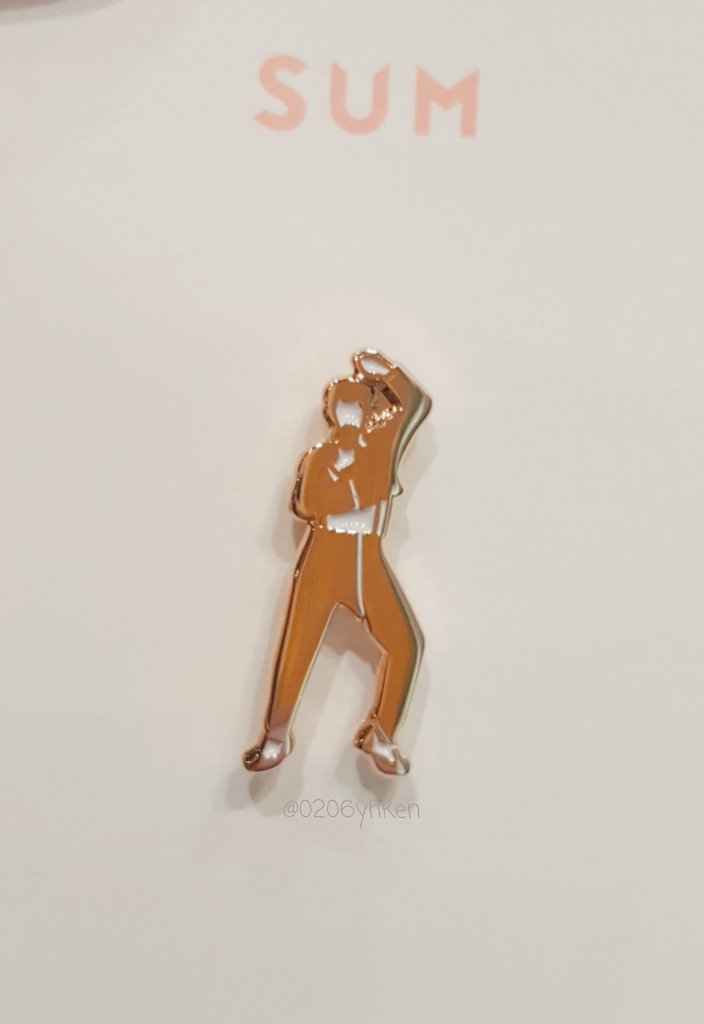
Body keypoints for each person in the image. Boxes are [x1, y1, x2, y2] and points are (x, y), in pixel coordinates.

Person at [243, 349, 431, 775]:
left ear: (368, 413)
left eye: (357, 408)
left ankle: (382, 734)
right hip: (324, 554)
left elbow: (415, 403)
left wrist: (384, 373)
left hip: (367, 556)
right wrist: (346, 476)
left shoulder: (382, 445)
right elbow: (308, 505)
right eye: (342, 408)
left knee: (406, 643)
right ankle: (275, 735)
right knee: (298, 646)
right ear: (330, 413)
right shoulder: (320, 458)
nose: (349, 417)